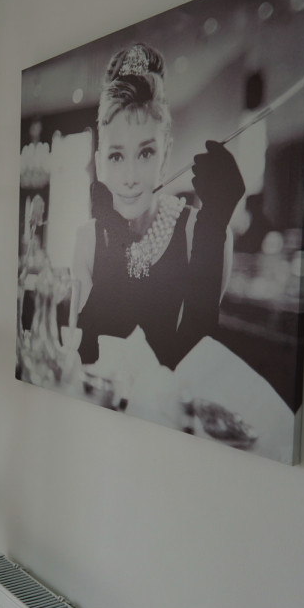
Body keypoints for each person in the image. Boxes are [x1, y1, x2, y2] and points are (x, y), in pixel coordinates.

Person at [72, 42, 245, 371]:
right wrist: (116, 241)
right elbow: (90, 355)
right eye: (116, 156)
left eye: (146, 153)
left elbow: (194, 366)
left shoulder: (201, 233)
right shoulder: (87, 239)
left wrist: (212, 229)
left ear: (165, 159)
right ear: (99, 162)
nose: (131, 177)